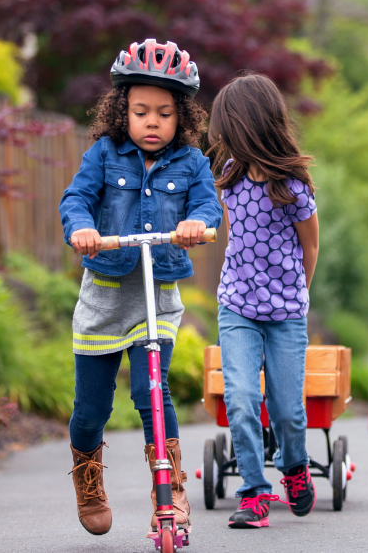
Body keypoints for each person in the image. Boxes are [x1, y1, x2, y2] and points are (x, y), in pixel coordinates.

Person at [58, 39, 222, 536]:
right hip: (105, 295)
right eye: (141, 111)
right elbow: (76, 199)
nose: (153, 121)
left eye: (165, 113)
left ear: (182, 118)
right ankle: (88, 480)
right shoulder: (103, 155)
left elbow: (208, 207)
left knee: (155, 393)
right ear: (121, 110)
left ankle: (168, 497)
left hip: (156, 295)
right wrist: (81, 228)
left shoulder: (192, 163)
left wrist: (197, 221)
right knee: (92, 409)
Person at [208, 74, 320, 529]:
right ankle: (254, 492)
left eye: (226, 126)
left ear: (250, 125)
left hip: (286, 312)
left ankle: (294, 466)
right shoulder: (229, 178)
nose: (219, 136)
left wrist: (299, 294)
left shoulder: (293, 188)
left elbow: (310, 246)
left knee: (289, 410)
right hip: (237, 306)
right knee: (239, 397)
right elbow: (238, 236)